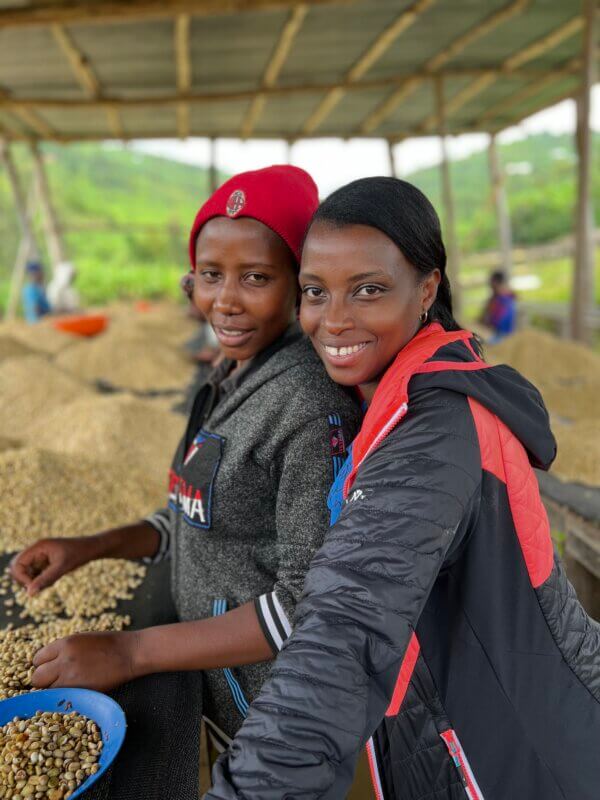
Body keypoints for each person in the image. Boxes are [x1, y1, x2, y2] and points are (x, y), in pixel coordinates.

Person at [205, 178, 600, 800]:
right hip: (450, 730)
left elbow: (346, 627)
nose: (333, 320)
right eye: (315, 291)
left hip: (524, 753)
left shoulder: (438, 431)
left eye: (368, 290)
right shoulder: (390, 397)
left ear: (427, 289)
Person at [10, 166, 361, 793]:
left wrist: (129, 651)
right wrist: (92, 548)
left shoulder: (309, 406)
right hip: (224, 688)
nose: (225, 300)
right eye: (209, 275)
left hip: (280, 715)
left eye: (256, 277)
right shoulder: (230, 372)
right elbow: (196, 511)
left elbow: (309, 606)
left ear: (302, 285)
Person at [480, 268, 516, 343]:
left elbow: (491, 322)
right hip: (501, 335)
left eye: (491, 282)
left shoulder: (501, 300)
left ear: (495, 282)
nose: (490, 285)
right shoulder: (508, 297)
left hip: (501, 337)